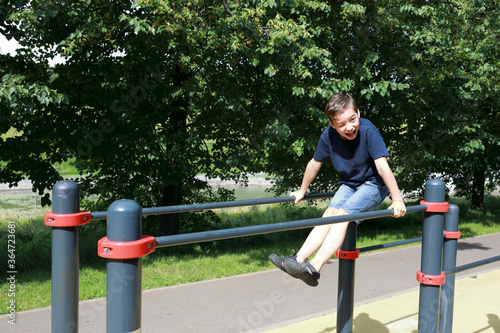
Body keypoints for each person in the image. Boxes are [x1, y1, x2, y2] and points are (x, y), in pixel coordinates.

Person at [269, 93, 406, 287]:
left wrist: (397, 199)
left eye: (353, 119)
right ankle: (298, 260)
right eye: (341, 125)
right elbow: (315, 163)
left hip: (373, 184)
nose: (349, 127)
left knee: (342, 215)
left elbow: (382, 166)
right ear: (332, 125)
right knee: (330, 214)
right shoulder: (328, 135)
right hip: (349, 183)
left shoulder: (368, 130)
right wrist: (301, 190)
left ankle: (315, 268)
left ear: (358, 113)